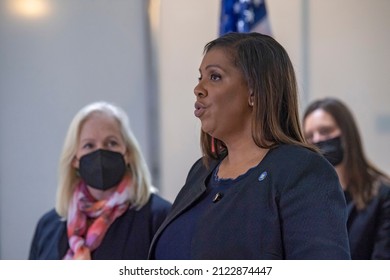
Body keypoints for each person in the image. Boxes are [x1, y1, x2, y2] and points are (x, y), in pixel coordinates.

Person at [148, 32, 351, 260]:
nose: (199, 89)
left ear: (254, 91)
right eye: (200, 78)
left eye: (215, 77)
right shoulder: (201, 171)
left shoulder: (303, 171)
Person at [29, 101, 171, 260]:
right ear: (74, 159)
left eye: (112, 143)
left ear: (128, 154)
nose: (100, 152)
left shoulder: (159, 218)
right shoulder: (49, 226)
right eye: (89, 145)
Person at [303, 97, 390, 259]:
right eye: (309, 136)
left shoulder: (383, 196)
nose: (317, 140)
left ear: (346, 134)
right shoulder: (307, 199)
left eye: (325, 131)